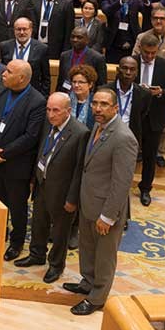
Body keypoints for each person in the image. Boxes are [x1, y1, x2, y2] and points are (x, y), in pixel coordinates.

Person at [64, 88, 137, 316]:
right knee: (87, 248)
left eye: (104, 104)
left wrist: (108, 216)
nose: (97, 108)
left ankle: (96, 298)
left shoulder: (124, 138)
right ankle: (87, 282)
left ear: (115, 107)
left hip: (106, 209)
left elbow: (121, 183)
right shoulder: (98, 126)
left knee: (104, 256)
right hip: (89, 203)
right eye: (95, 103)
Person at [14, 93, 88, 284]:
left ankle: (56, 265)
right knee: (38, 223)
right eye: (48, 109)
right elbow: (41, 152)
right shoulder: (47, 125)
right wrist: (33, 180)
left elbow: (80, 170)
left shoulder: (80, 132)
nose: (51, 114)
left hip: (63, 192)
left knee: (60, 232)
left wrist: (73, 199)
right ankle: (36, 254)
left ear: (68, 111)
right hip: (42, 184)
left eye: (55, 110)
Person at [0, 59, 46, 262]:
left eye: (8, 71)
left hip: (16, 167)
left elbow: (30, 137)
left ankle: (16, 242)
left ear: (21, 78)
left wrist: (3, 153)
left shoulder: (37, 101)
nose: (3, 73)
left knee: (18, 208)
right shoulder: (2, 89)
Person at [134, 33, 165, 206]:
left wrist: (160, 92)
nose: (149, 56)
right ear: (140, 49)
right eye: (146, 53)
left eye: (153, 53)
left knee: (150, 157)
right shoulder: (132, 62)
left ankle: (145, 189)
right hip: (134, 117)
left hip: (154, 118)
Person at [57, 26, 108, 91]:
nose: (75, 39)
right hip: (66, 95)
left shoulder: (97, 58)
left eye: (79, 37)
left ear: (87, 40)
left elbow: (101, 85)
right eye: (73, 37)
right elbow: (60, 81)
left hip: (88, 97)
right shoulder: (64, 56)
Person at [68, 64, 98, 130]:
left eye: (81, 82)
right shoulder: (66, 100)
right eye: (74, 82)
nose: (76, 85)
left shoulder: (96, 102)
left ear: (90, 84)